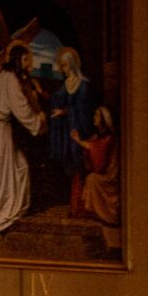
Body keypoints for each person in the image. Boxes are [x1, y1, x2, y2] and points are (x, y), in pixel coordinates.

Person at [0, 42, 46, 240]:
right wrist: (38, 123)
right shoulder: (9, 79)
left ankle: (15, 209)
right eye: (24, 59)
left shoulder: (6, 76)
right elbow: (21, 107)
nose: (28, 62)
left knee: (19, 166)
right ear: (16, 60)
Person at [45, 48, 95, 215]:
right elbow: (55, 99)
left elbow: (83, 110)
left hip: (79, 130)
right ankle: (74, 205)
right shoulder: (65, 85)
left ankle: (82, 206)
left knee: (80, 166)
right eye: (61, 66)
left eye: (65, 65)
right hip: (68, 132)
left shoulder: (83, 85)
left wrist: (65, 112)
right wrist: (42, 94)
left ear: (72, 65)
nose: (62, 69)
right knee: (70, 167)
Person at [72, 105, 120, 245]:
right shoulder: (98, 135)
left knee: (92, 179)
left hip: (110, 176)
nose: (94, 118)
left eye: (96, 116)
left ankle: (104, 215)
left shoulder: (109, 137)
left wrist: (79, 141)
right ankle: (97, 214)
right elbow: (93, 146)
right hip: (104, 172)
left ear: (103, 120)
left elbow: (99, 155)